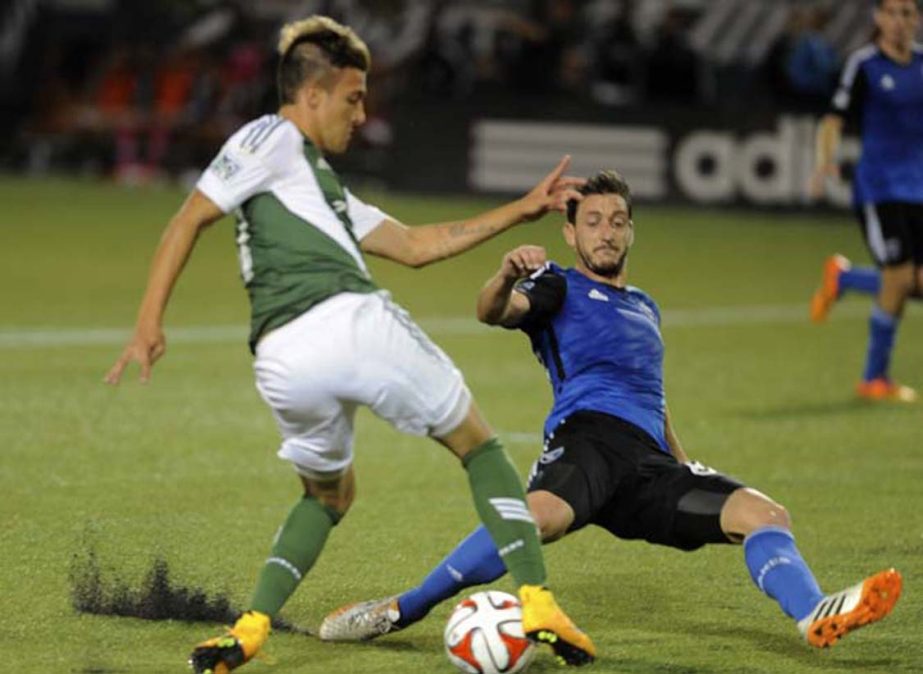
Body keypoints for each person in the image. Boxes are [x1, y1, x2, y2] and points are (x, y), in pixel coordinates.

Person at [104, 15, 595, 673]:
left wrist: (520, 208)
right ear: (310, 95)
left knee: (328, 495)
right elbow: (190, 215)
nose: (362, 114)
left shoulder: (318, 189)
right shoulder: (270, 136)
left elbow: (418, 246)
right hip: (347, 322)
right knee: (479, 447)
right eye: (352, 97)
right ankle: (535, 601)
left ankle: (248, 629)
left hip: (282, 360)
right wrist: (146, 322)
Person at [319, 170, 903, 655]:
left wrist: (681, 461)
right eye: (593, 222)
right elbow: (493, 312)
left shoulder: (645, 306)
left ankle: (812, 614)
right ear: (571, 234)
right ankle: (401, 609)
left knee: (765, 515)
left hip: (650, 465)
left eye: (618, 222)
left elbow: (653, 393)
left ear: (631, 233)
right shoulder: (558, 286)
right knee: (532, 521)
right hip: (588, 444)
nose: (606, 233)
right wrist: (504, 275)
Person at [808, 0, 923, 403]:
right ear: (878, 19)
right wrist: (825, 162)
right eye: (891, 13)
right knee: (898, 278)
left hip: (919, 190)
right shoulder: (865, 64)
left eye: (907, 13)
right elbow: (833, 119)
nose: (898, 22)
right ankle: (874, 378)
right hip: (880, 189)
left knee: (914, 283)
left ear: (918, 20)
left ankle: (844, 278)